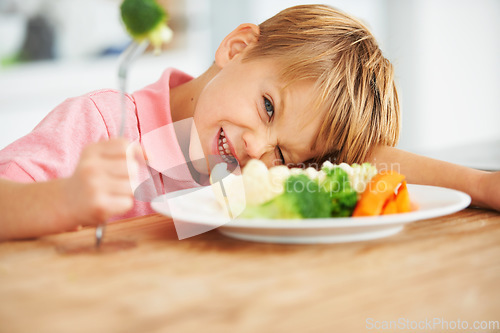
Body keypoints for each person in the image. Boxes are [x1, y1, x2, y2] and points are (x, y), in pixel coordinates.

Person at [0, 4, 498, 240]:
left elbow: (365, 165)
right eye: (268, 108)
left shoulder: (262, 172)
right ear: (237, 48)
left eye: (286, 155)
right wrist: (65, 200)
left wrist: (478, 184)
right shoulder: (102, 121)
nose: (259, 149)